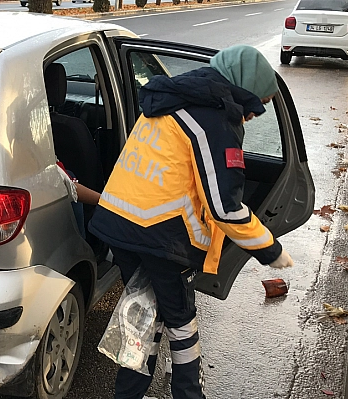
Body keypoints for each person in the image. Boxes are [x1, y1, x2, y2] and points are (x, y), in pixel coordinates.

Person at [88, 45, 294, 399]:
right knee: (182, 325)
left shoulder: (171, 98)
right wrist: (270, 249)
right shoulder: (215, 120)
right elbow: (224, 206)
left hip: (118, 224)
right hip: (161, 235)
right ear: (243, 90)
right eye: (254, 106)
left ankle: (128, 393)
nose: (250, 117)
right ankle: (188, 394)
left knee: (145, 313)